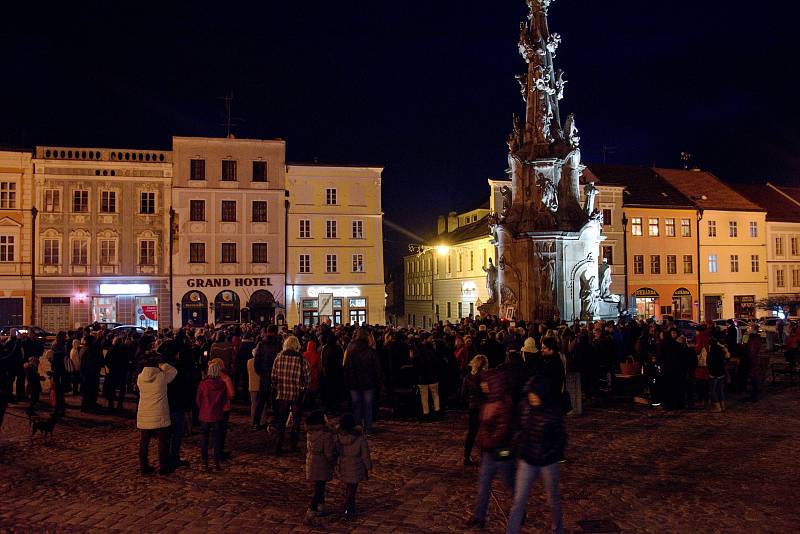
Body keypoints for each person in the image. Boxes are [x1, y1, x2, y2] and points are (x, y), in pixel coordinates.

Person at [506, 363, 567, 534]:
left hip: (548, 461)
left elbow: (560, 437)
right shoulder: (524, 407)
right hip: (527, 459)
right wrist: (517, 444)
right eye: (530, 395)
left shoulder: (552, 411)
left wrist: (550, 453)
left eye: (535, 395)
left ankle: (558, 529)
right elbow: (517, 428)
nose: (532, 398)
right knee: (519, 499)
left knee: (553, 499)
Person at [465, 367, 516, 531]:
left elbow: (503, 429)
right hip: (488, 452)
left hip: (502, 452)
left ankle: (519, 511)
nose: (483, 385)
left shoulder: (504, 403)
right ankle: (479, 516)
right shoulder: (488, 402)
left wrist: (487, 440)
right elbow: (484, 426)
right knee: (483, 485)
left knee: (509, 484)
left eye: (486, 383)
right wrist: (482, 439)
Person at [136, 357, 177, 475]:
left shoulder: (140, 378)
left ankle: (143, 466)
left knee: (144, 442)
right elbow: (173, 371)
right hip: (159, 413)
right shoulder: (161, 377)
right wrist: (163, 365)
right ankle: (164, 466)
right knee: (163, 442)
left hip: (145, 413)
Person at [271, 335, 310, 455]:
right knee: (296, 421)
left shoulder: (279, 357)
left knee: (281, 420)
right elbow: (307, 378)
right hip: (296, 394)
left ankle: (278, 445)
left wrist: (277, 386)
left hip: (282, 393)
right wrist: (304, 388)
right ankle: (293, 444)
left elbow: (273, 376)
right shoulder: (301, 359)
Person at [304, 409, 338, 526]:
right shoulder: (325, 435)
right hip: (322, 464)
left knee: (319, 486)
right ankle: (311, 510)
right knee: (319, 489)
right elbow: (328, 453)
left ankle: (321, 506)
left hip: (312, 462)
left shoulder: (310, 433)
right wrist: (334, 462)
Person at [343, 329, 381, 434]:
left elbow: (346, 367)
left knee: (356, 406)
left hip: (353, 383)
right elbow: (377, 368)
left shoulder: (350, 350)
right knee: (368, 406)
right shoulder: (371, 351)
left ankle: (358, 427)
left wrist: (347, 381)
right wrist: (377, 382)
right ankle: (368, 428)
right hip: (368, 383)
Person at [336, 412, 372, 521]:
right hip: (356, 467)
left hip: (344, 465)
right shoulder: (360, 438)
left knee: (348, 488)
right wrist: (368, 466)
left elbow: (336, 451)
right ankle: (347, 510)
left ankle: (350, 507)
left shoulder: (338, 437)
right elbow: (365, 454)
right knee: (352, 490)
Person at [196, 361, 228, 471]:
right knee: (216, 439)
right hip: (217, 415)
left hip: (205, 414)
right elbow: (224, 401)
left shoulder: (203, 384)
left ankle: (204, 462)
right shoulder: (222, 385)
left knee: (204, 439)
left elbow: (198, 400)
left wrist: (203, 408)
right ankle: (216, 462)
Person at [461, 355, 487, 466]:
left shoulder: (467, 377)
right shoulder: (483, 377)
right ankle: (484, 457)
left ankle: (466, 456)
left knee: (471, 433)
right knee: (484, 432)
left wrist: (469, 401)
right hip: (482, 406)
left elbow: (463, 395)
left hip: (473, 407)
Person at [209, 357, 235, 458]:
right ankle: (219, 451)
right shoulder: (225, 378)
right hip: (224, 408)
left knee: (215, 430)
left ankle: (215, 449)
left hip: (212, 408)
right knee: (222, 430)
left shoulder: (208, 380)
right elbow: (231, 393)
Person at [79, 335, 103, 412]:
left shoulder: (83, 349)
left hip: (86, 373)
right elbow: (97, 361)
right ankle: (88, 406)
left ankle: (88, 405)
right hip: (91, 374)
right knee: (91, 391)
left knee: (87, 391)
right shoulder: (92, 350)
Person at [708, 332, 728, 412]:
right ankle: (723, 406)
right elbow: (726, 358)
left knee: (713, 390)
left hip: (714, 373)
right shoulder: (721, 350)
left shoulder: (712, 351)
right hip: (721, 372)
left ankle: (718, 407)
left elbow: (709, 362)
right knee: (720, 390)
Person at [247, 350, 267, 429]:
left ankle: (253, 421)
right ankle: (262, 421)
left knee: (253, 404)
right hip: (261, 385)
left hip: (252, 385)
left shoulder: (249, 362)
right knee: (263, 404)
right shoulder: (264, 362)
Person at [51, 331, 69, 416]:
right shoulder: (60, 346)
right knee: (59, 391)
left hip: (58, 372)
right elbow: (58, 360)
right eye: (65, 336)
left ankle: (59, 409)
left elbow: (56, 360)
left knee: (58, 391)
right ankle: (59, 409)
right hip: (59, 372)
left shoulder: (59, 346)